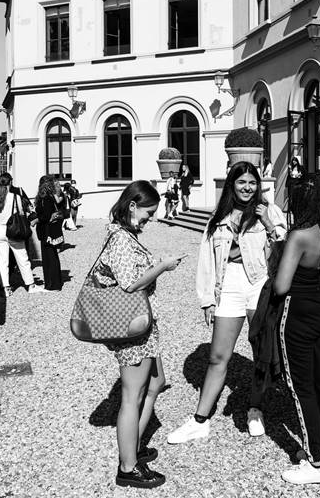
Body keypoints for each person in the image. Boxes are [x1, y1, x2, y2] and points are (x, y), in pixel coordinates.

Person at [167, 161, 286, 444]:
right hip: (229, 286)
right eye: (242, 182)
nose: (247, 187)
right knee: (218, 355)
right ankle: (199, 419)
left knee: (261, 354)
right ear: (232, 184)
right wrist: (207, 299)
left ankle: (255, 408)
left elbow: (284, 246)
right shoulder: (217, 217)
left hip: (259, 285)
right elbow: (207, 261)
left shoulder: (270, 211)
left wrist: (268, 223)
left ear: (259, 185)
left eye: (252, 182)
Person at [94, 180, 185, 489]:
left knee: (156, 383)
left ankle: (133, 447)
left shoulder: (126, 235)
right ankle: (128, 467)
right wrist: (162, 266)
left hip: (143, 324)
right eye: (148, 212)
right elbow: (131, 284)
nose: (150, 218)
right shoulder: (120, 238)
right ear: (132, 205)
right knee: (132, 397)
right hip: (131, 327)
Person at [273, 173, 320, 485]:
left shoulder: (299, 235)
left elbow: (281, 285)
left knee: (303, 388)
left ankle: (315, 463)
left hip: (299, 314)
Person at [0, 172, 40, 297]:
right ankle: (30, 285)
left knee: (2, 261)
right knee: (22, 258)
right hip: (13, 230)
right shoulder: (15, 197)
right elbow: (21, 214)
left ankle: (6, 288)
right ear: (10, 182)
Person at [35, 175, 65, 291]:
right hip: (51, 230)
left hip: (47, 231)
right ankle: (55, 283)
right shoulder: (51, 197)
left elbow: (46, 216)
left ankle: (52, 285)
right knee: (52, 256)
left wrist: (35, 219)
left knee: (49, 258)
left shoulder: (45, 198)